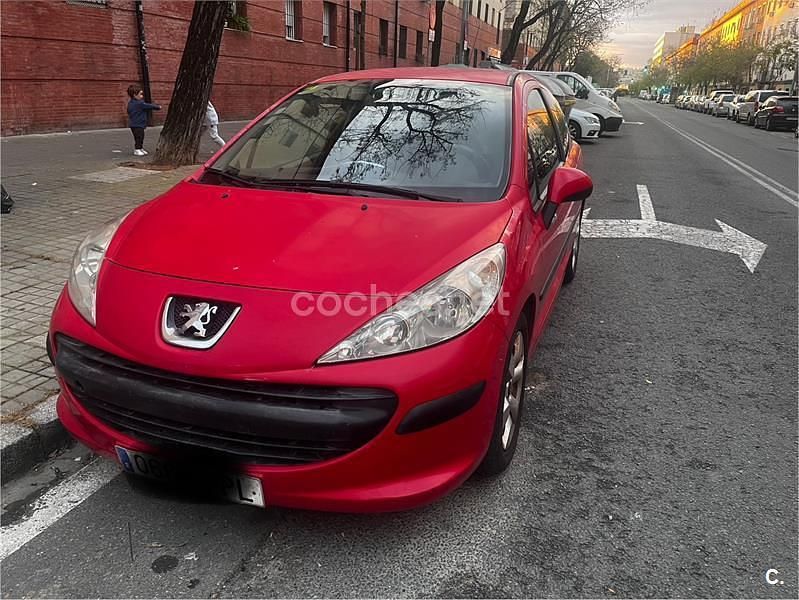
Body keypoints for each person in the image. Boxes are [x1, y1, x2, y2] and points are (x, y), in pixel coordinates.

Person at [126, 85, 161, 156]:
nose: (142, 96)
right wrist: (158, 107)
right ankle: (137, 149)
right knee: (139, 137)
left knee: (140, 136)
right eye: (140, 94)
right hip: (138, 124)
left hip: (135, 124)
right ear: (135, 95)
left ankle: (140, 148)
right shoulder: (140, 103)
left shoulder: (131, 103)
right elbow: (149, 106)